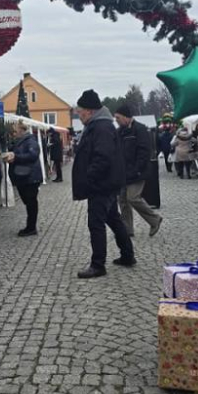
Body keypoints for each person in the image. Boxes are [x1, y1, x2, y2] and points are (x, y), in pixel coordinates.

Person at [72, 89, 134, 278]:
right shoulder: (100, 125)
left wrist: (89, 177)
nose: (78, 114)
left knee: (95, 223)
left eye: (80, 111)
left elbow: (103, 157)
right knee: (113, 219)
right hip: (105, 183)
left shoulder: (101, 127)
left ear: (89, 111)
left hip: (101, 185)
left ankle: (98, 265)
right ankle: (127, 255)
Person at [114, 105, 163, 237]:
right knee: (122, 201)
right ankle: (127, 229)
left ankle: (154, 219)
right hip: (123, 173)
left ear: (126, 117)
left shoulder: (140, 129)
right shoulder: (119, 132)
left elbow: (144, 152)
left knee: (133, 198)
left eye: (118, 117)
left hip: (138, 172)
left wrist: (137, 170)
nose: (116, 120)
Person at [3, 121, 42, 236]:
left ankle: (31, 228)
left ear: (21, 130)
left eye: (15, 131)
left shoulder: (30, 141)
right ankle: (30, 226)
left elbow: (33, 155)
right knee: (28, 201)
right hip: (23, 177)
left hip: (30, 177)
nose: (13, 134)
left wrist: (16, 157)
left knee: (31, 202)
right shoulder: (19, 141)